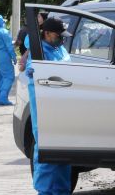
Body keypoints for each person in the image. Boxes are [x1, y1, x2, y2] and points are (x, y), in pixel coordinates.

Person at [24, 17, 72, 195]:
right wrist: (32, 71)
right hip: (45, 105)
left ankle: (61, 190)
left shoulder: (57, 48)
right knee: (47, 146)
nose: (62, 38)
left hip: (62, 106)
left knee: (62, 149)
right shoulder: (39, 51)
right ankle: (45, 191)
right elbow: (33, 70)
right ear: (47, 33)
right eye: (59, 35)